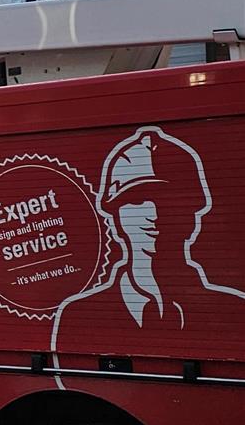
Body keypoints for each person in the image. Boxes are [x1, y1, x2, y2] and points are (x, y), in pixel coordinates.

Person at [52, 125, 245, 373]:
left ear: (194, 215)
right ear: (115, 220)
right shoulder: (78, 316)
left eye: (167, 198)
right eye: (136, 201)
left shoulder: (234, 311)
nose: (153, 214)